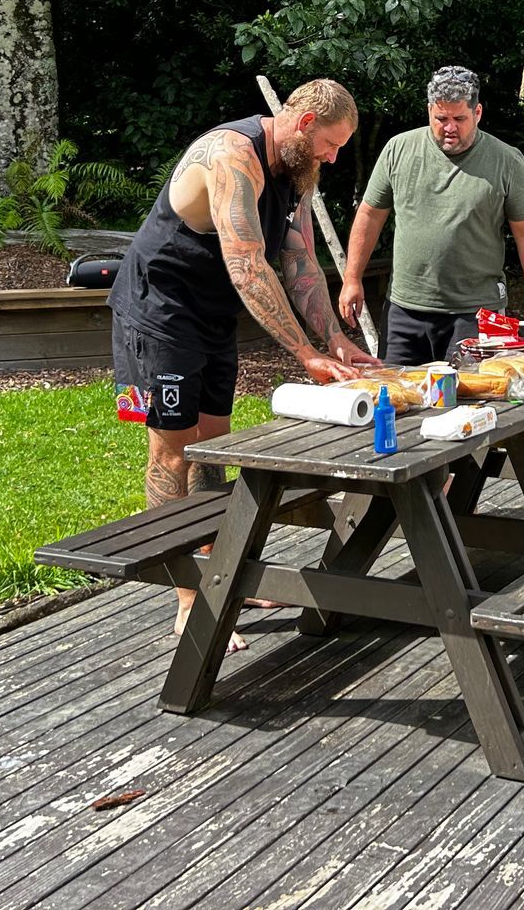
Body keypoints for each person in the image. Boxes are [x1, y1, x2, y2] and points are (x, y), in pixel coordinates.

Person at [110, 78, 379, 644]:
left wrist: (333, 338)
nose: (333, 157)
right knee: (174, 452)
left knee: (215, 445)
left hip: (212, 315)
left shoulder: (300, 168)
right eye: (331, 145)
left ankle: (219, 574)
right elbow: (249, 266)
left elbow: (299, 258)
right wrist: (303, 352)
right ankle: (188, 596)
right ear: (304, 125)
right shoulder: (232, 155)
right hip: (160, 308)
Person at [338, 65, 524, 365]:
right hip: (405, 310)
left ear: (477, 113)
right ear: (428, 112)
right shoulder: (399, 149)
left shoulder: (507, 161)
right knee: (399, 401)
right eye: (441, 119)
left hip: (475, 312)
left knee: (470, 405)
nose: (450, 127)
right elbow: (370, 214)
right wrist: (352, 278)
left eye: (459, 119)